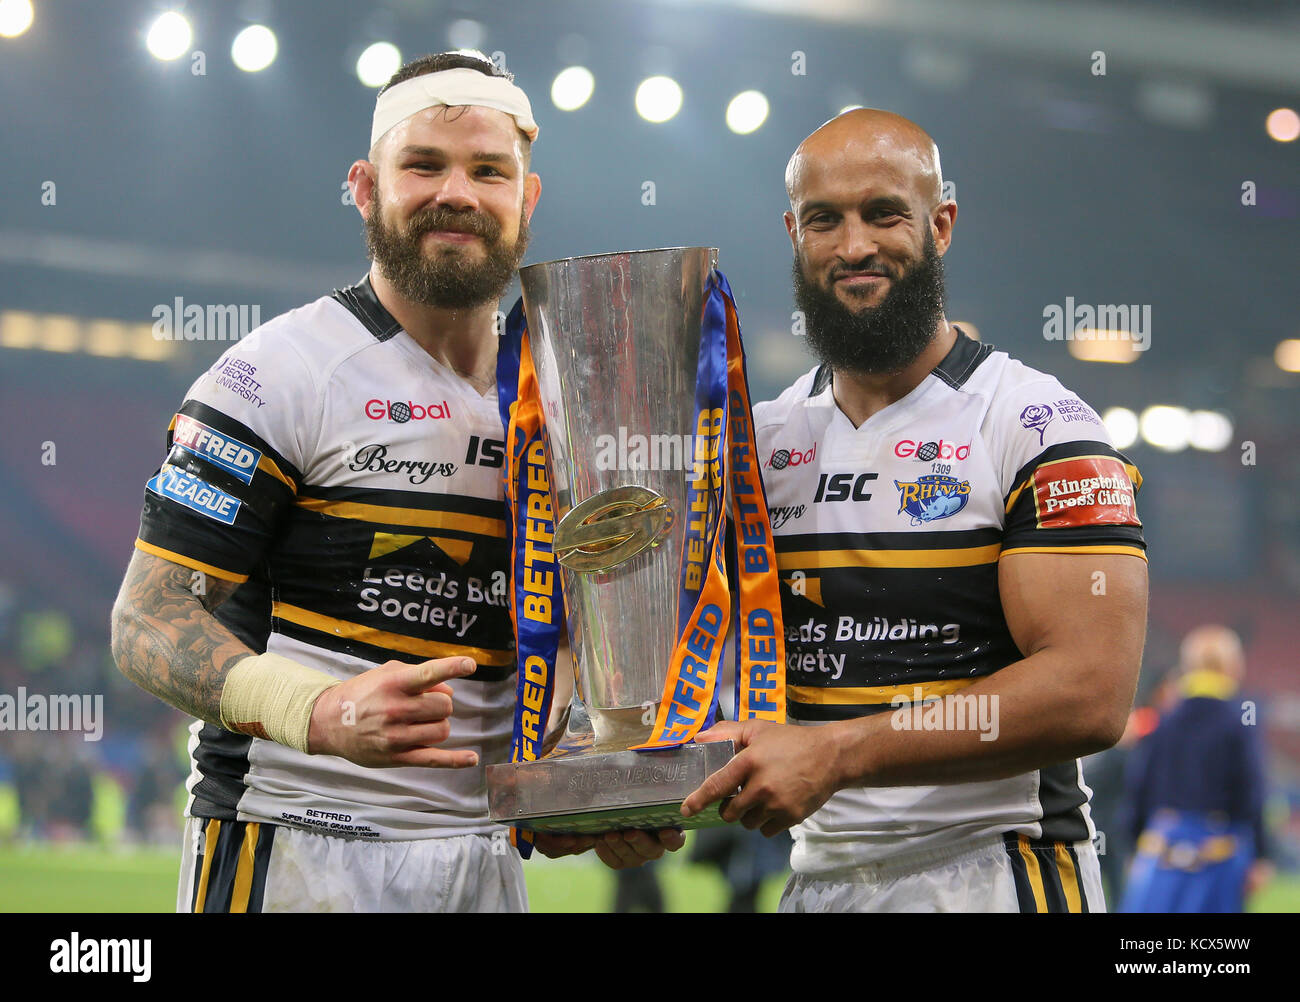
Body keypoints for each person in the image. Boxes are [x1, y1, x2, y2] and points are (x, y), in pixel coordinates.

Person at [110, 50, 678, 914]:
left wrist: (573, 793)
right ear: (367, 188)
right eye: (424, 165)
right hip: (294, 843)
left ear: (526, 200)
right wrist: (321, 710)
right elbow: (147, 621)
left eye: (488, 170)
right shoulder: (277, 373)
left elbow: (557, 651)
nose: (457, 192)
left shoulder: (568, 404)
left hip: (484, 862)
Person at [682, 109, 1148, 912]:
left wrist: (839, 752)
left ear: (941, 224)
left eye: (884, 213)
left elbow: (1090, 693)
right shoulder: (754, 445)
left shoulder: (1039, 423)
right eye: (825, 219)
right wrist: (620, 797)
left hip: (998, 873)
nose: (855, 245)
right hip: (818, 880)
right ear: (794, 233)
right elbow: (681, 664)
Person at [1118, 625, 1273, 912]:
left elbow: (1139, 784)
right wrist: (1261, 855)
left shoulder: (1164, 719)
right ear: (1232, 667)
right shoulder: (1240, 721)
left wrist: (1133, 841)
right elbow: (1252, 790)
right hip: (1220, 849)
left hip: (1161, 844)